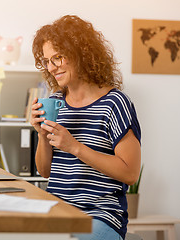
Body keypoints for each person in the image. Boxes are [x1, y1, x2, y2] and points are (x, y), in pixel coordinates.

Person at [30, 15, 141, 240]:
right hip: (57, 213)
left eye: (57, 58)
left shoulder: (115, 103)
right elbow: (46, 172)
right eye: (47, 61)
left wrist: (74, 147)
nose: (51, 67)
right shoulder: (56, 101)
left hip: (99, 217)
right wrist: (42, 136)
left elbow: (130, 173)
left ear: (80, 53)